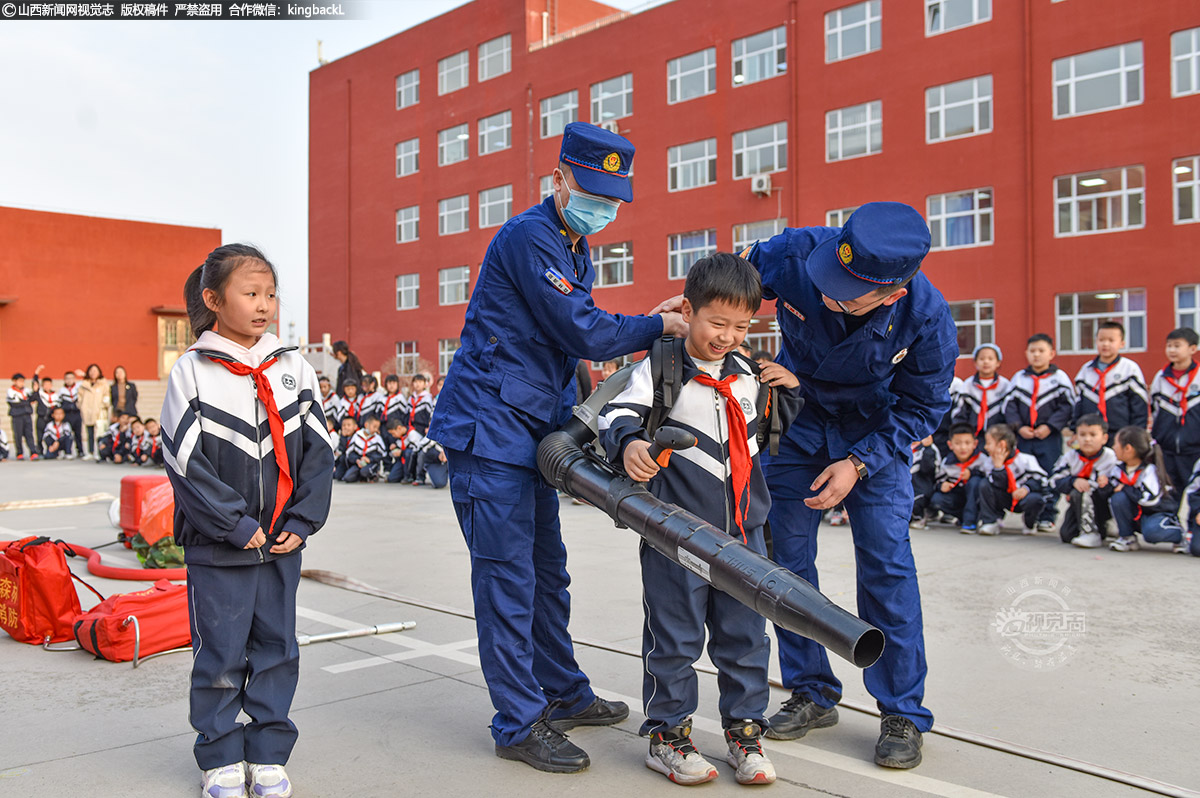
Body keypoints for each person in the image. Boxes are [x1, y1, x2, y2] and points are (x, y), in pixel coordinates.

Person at [428, 122, 686, 774]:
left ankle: (563, 692)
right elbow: (583, 327)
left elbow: (570, 343)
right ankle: (518, 721)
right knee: (508, 583)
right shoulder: (530, 236)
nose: (601, 208)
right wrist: (658, 323)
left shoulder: (573, 245)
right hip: (490, 434)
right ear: (559, 180)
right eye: (590, 191)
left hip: (531, 432)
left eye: (612, 199)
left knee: (547, 574)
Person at [740, 201, 958, 769]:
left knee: (886, 562)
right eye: (826, 283)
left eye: (847, 294)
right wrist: (696, 310)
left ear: (892, 295)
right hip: (798, 418)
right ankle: (811, 690)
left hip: (874, 434)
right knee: (784, 561)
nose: (829, 295)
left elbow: (921, 409)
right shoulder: (796, 253)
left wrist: (859, 464)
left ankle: (902, 711)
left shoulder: (927, 319)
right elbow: (730, 281)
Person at [600, 252, 801, 786]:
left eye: (742, 326)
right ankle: (667, 735)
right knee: (675, 636)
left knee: (746, 637)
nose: (728, 336)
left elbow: (759, 440)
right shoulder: (661, 367)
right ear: (688, 311)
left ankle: (745, 733)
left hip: (744, 532)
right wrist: (631, 444)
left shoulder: (750, 375)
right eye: (717, 322)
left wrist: (789, 391)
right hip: (676, 534)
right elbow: (614, 412)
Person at [162, 243, 333, 798]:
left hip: (282, 544)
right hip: (220, 548)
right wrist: (234, 525)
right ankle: (217, 757)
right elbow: (184, 462)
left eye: (270, 294)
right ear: (213, 300)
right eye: (250, 293)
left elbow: (320, 453)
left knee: (277, 649)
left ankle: (268, 751)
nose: (264, 305)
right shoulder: (192, 372)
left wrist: (302, 521)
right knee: (219, 653)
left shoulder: (294, 368)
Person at [1003, 334, 1074, 532]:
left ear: (1051, 353)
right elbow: (1009, 406)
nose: (1036, 355)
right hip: (1025, 437)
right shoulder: (1019, 378)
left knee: (1050, 473)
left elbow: (1067, 407)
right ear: (1026, 353)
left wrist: (1050, 427)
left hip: (1048, 437)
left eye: (1041, 351)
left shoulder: (1059, 379)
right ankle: (1030, 512)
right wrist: (1018, 427)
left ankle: (1048, 514)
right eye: (1032, 351)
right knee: (1026, 474)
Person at [1107, 426, 1186, 553]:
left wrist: (1126, 488)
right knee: (1118, 498)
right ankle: (1127, 537)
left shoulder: (1149, 471)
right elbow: (1112, 489)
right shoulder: (1117, 469)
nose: (1113, 447)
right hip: (1138, 514)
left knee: (1151, 533)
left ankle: (1178, 534)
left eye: (1116, 444)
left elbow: (1149, 500)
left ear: (1128, 449)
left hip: (1155, 513)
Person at [1050, 413, 1118, 548]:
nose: (1087, 439)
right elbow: (1054, 480)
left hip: (1102, 503)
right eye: (1082, 435)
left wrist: (1103, 484)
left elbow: (1116, 482)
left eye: (1093, 435)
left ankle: (1092, 532)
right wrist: (1073, 481)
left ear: (1104, 438)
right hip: (1078, 505)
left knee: (1081, 491)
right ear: (1075, 437)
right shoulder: (1070, 456)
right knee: (1067, 535)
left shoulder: (1110, 457)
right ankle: (1098, 529)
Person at [1070, 322, 1147, 435]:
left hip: (1120, 434)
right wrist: (1075, 430)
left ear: (1122, 343)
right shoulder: (1086, 370)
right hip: (1091, 434)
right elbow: (1078, 404)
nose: (1105, 344)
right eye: (1101, 340)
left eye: (1111, 340)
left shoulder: (1130, 369)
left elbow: (1139, 405)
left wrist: (1135, 434)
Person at [1149, 327, 1199, 493]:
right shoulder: (1161, 377)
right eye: (1169, 345)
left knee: (1196, 499)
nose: (1171, 350)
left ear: (1193, 348)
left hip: (1195, 450)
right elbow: (1154, 410)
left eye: (1177, 346)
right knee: (1169, 496)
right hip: (1167, 450)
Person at [977, 424, 1051, 536]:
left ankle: (1029, 522)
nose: (986, 447)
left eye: (988, 443)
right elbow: (995, 485)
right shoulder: (989, 462)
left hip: (1023, 498)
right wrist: (998, 468)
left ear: (1002, 444)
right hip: (1005, 497)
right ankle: (991, 521)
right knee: (984, 484)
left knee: (1036, 499)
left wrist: (1026, 488)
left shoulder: (1025, 460)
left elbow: (1041, 480)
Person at [930, 423, 988, 532]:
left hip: (976, 499)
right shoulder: (947, 463)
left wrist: (972, 473)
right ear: (950, 445)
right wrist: (942, 486)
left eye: (967, 443)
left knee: (975, 482)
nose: (963, 447)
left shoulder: (982, 459)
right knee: (937, 499)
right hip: (958, 496)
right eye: (957, 443)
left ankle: (970, 521)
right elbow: (938, 480)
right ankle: (962, 517)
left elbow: (989, 477)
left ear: (975, 444)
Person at [951, 343, 1009, 450]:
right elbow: (959, 413)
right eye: (981, 358)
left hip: (998, 438)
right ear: (975, 362)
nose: (986, 362)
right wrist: (965, 435)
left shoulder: (1005, 386)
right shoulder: (967, 386)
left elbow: (1009, 412)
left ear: (998, 363)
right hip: (973, 439)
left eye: (990, 358)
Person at [341, 414, 385, 483]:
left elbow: (382, 454)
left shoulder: (377, 438)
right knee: (347, 478)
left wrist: (370, 459)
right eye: (374, 427)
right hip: (359, 462)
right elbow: (349, 452)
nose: (376, 430)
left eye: (377, 428)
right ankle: (361, 477)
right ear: (366, 425)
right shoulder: (357, 436)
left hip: (371, 462)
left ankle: (374, 475)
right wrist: (356, 460)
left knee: (365, 471)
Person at [78, 363, 109, 460]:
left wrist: (103, 406)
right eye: (91, 370)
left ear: (99, 372)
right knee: (89, 433)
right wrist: (82, 407)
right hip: (87, 411)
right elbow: (79, 398)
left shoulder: (103, 384)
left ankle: (100, 452)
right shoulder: (84, 385)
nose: (93, 373)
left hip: (100, 411)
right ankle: (90, 452)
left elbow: (107, 396)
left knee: (100, 433)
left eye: (95, 370)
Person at [908, 436, 939, 530]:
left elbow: (928, 470)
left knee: (915, 503)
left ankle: (920, 517)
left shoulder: (930, 448)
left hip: (922, 487)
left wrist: (927, 448)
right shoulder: (902, 445)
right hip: (906, 486)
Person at [7, 371, 39, 460]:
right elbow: (15, 403)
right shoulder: (10, 391)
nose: (21, 383)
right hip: (17, 416)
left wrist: (35, 391)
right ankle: (19, 453)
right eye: (19, 381)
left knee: (29, 434)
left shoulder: (26, 390)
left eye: (22, 381)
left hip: (27, 415)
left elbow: (33, 399)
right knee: (18, 435)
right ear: (14, 381)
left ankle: (33, 452)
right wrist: (27, 402)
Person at [57, 370, 85, 458]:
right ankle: (67, 451)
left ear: (75, 379)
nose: (69, 380)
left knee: (78, 434)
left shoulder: (78, 387)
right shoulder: (61, 391)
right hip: (67, 414)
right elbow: (59, 404)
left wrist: (83, 375)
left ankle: (80, 451)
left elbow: (88, 382)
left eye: (71, 378)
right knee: (67, 433)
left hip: (77, 414)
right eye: (67, 379)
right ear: (64, 380)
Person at [333, 415, 359, 481]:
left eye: (348, 425)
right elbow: (341, 449)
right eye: (344, 425)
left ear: (355, 427)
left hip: (354, 461)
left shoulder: (358, 436)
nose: (346, 427)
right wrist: (343, 437)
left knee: (348, 478)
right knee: (337, 476)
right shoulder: (343, 437)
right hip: (344, 461)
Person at [35, 376, 58, 451]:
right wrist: (36, 373)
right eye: (45, 384)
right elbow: (35, 384)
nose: (47, 386)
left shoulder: (55, 395)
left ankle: (51, 450)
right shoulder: (40, 394)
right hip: (41, 418)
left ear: (51, 385)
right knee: (39, 436)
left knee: (51, 435)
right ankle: (40, 450)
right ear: (42, 385)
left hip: (51, 418)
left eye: (49, 384)